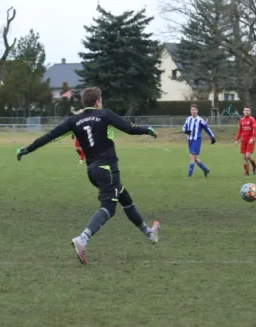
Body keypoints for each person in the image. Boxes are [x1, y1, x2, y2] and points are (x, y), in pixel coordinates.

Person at [16, 87, 160, 264]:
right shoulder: (104, 114)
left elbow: (49, 136)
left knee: (123, 196)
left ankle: (149, 232)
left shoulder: (74, 120)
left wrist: (27, 149)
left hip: (93, 171)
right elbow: (129, 128)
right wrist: (148, 129)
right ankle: (83, 239)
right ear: (98, 101)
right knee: (109, 207)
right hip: (108, 169)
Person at [183, 104, 216, 177]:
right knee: (194, 158)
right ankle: (205, 170)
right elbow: (184, 128)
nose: (193, 111)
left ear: (197, 111)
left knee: (191, 156)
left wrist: (212, 137)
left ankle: (189, 176)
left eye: (195, 110)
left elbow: (207, 128)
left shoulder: (200, 120)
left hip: (196, 140)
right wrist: (186, 131)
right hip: (190, 140)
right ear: (190, 111)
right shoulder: (188, 119)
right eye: (192, 110)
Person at [234, 107, 256, 175]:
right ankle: (246, 172)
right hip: (243, 141)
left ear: (250, 112)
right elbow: (240, 131)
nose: (246, 112)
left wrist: (252, 138)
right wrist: (236, 140)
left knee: (248, 156)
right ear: (243, 111)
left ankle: (254, 166)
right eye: (245, 110)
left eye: (248, 110)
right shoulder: (241, 120)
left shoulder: (252, 119)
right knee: (244, 157)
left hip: (250, 141)